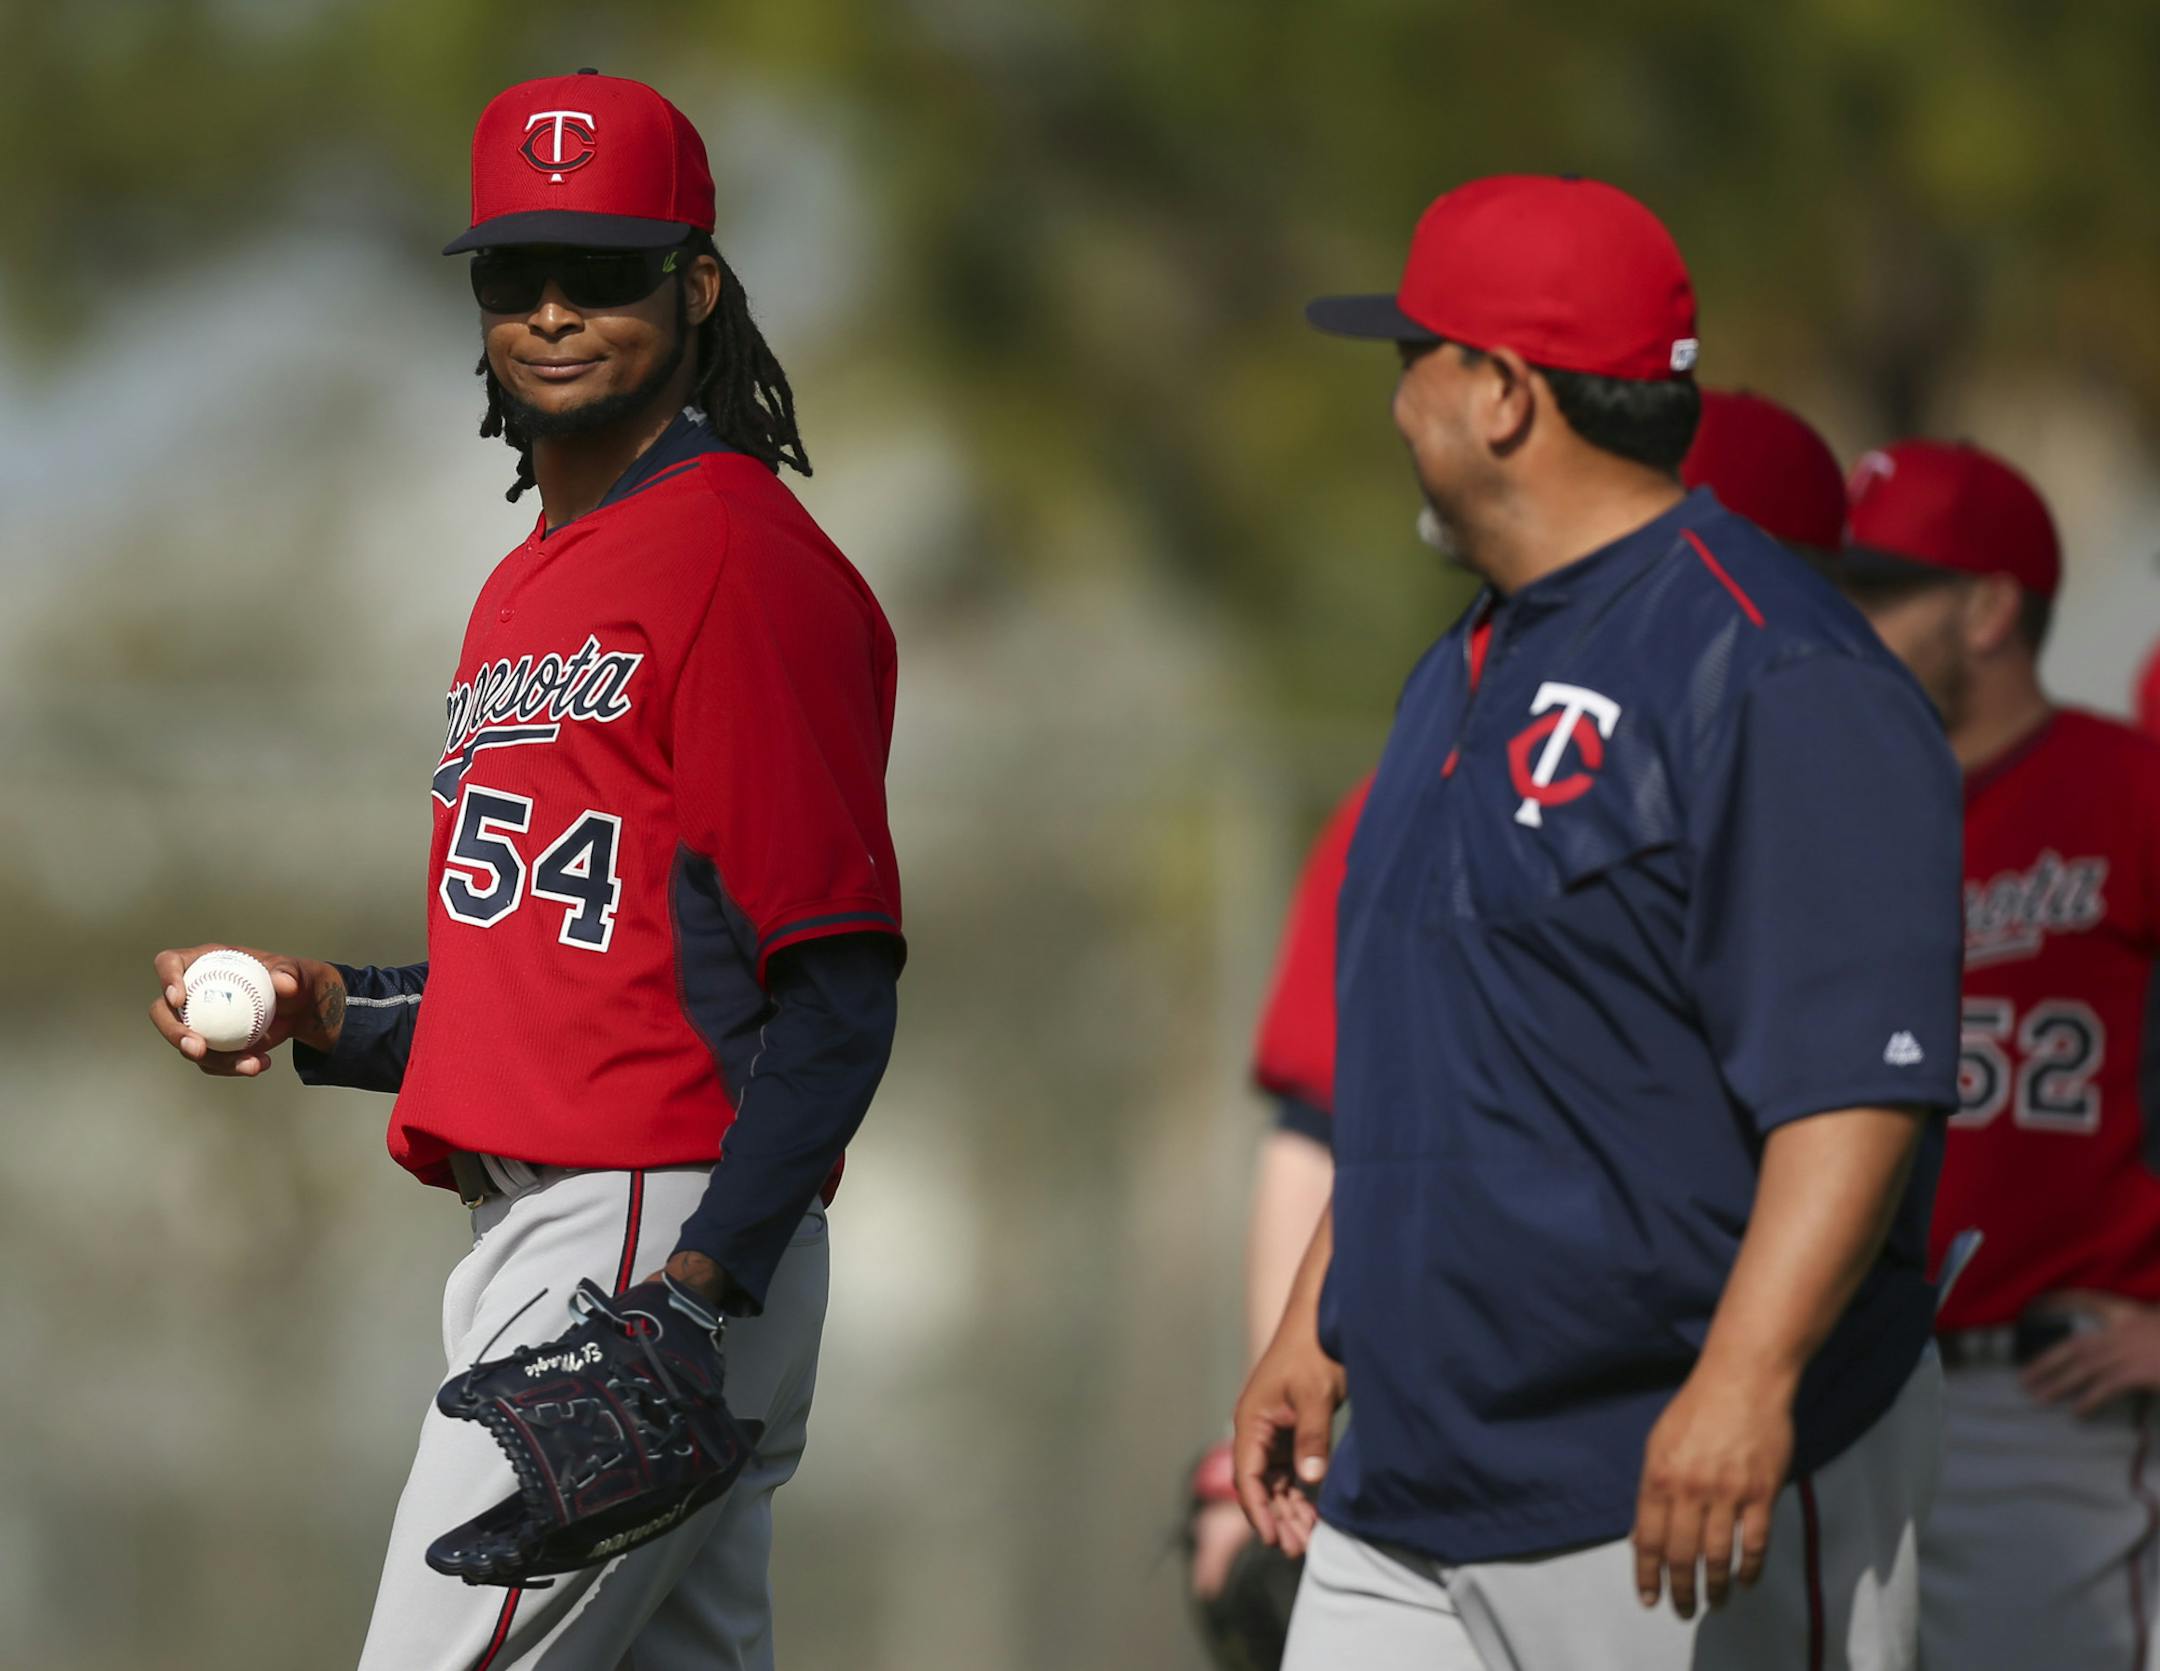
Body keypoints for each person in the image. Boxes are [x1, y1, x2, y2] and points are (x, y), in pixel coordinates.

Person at [146, 71, 903, 1671]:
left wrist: (693, 1299)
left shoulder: (741, 566)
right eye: (515, 272)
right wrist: (319, 1005)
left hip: (644, 1238)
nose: (554, 311)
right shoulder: (528, 582)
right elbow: (561, 964)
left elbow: (833, 989)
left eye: (605, 270)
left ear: (696, 285)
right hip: (585, 1237)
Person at [1230, 174, 1964, 1671]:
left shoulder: (1770, 667)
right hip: (1413, 1488)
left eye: (1411, 361)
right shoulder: (1465, 660)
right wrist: (1323, 1309)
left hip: (1671, 1477)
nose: (1397, 409)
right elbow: (1440, 1044)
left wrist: (1748, 1377)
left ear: (1500, 393)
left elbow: (1857, 1080)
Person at [1183, 386, 1849, 1668]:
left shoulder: (1812, 730)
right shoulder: (1455, 703)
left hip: (1690, 1422)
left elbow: (1845, 1104)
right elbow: (1354, 1112)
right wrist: (1306, 1338)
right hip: (1437, 1443)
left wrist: (1748, 1381)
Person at [1837, 439, 2160, 1671]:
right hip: (1846, 1394)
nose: (1850, 615)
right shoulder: (1843, 805)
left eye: (1881, 585)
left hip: (2047, 1403)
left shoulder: (2127, 788)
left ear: (1989, 606)